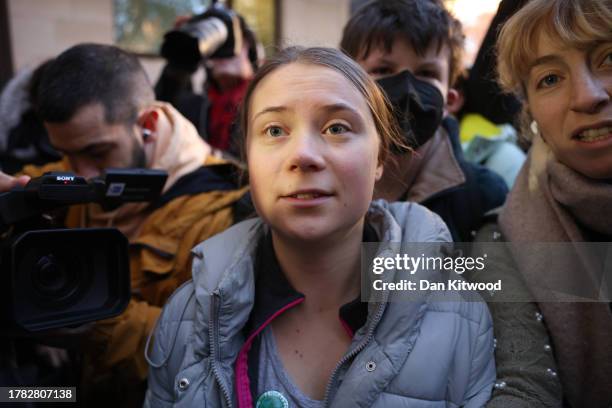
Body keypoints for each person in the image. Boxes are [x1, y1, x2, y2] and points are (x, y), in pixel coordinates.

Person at [144, 46, 495, 407]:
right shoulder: (187, 318)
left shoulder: (462, 322)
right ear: (247, 158)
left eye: (337, 127)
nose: (303, 155)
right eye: (275, 129)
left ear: (380, 158)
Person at [0, 43, 249, 407]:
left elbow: (214, 354)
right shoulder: (69, 173)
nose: (80, 174)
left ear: (146, 126)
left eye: (97, 153)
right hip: (69, 393)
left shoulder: (223, 211)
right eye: (65, 155)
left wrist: (94, 320)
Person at [468, 0, 612, 406]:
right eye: (550, 78)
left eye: (608, 57)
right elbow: (526, 384)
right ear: (529, 111)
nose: (586, 97)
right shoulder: (501, 246)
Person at [340, 0, 508, 242]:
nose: (407, 88)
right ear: (346, 87)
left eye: (427, 73)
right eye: (383, 69)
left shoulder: (483, 195)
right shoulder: (323, 187)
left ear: (450, 100)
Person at [155, 5, 260, 157]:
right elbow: (162, 110)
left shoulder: (264, 102)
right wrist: (183, 53)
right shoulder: (200, 107)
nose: (225, 53)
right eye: (219, 44)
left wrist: (206, 153)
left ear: (250, 50)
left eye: (232, 42)